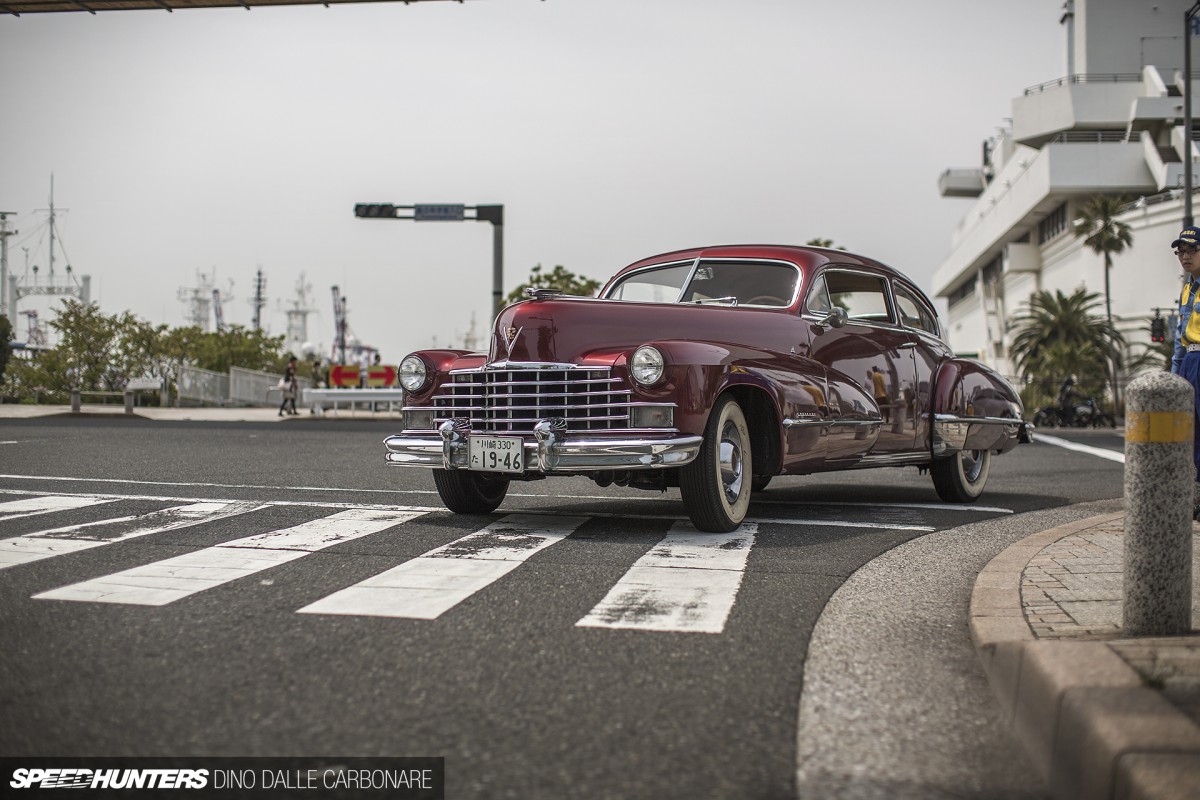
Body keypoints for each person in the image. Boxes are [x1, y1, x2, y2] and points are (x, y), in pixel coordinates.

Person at [1169, 226, 1200, 519]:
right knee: (1191, 432)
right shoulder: (1187, 290)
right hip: (1190, 361)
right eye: (1181, 252)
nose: (1185, 256)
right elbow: (1180, 338)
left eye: (1192, 250)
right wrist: (1174, 376)